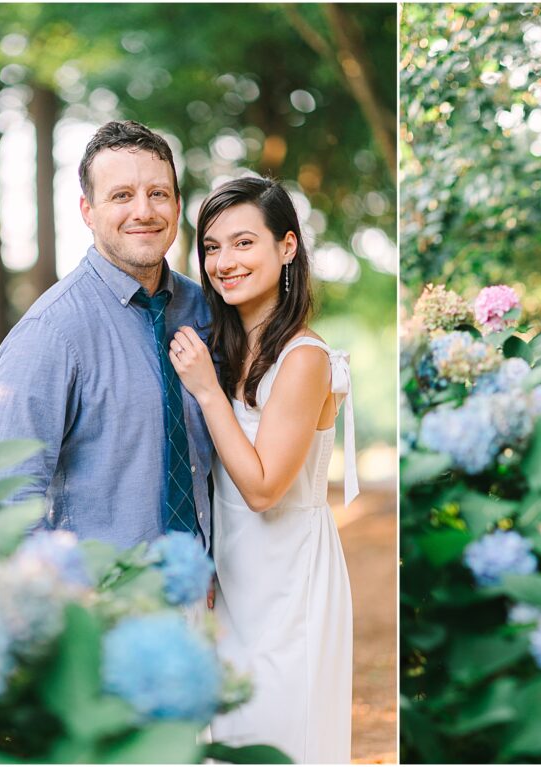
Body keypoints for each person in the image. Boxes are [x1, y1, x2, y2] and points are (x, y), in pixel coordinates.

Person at [168, 177, 356, 763]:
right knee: (228, 736)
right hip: (233, 577)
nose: (224, 262)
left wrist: (206, 392)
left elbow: (263, 487)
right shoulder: (227, 347)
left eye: (244, 243)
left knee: (280, 734)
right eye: (213, 247)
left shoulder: (304, 358)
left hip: (287, 578)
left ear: (288, 247)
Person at [0, 120, 213, 551]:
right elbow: (5, 498)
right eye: (121, 195)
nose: (143, 211)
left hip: (207, 592)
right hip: (103, 603)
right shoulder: (49, 333)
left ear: (177, 206)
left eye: (157, 193)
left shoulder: (204, 311)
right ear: (87, 211)